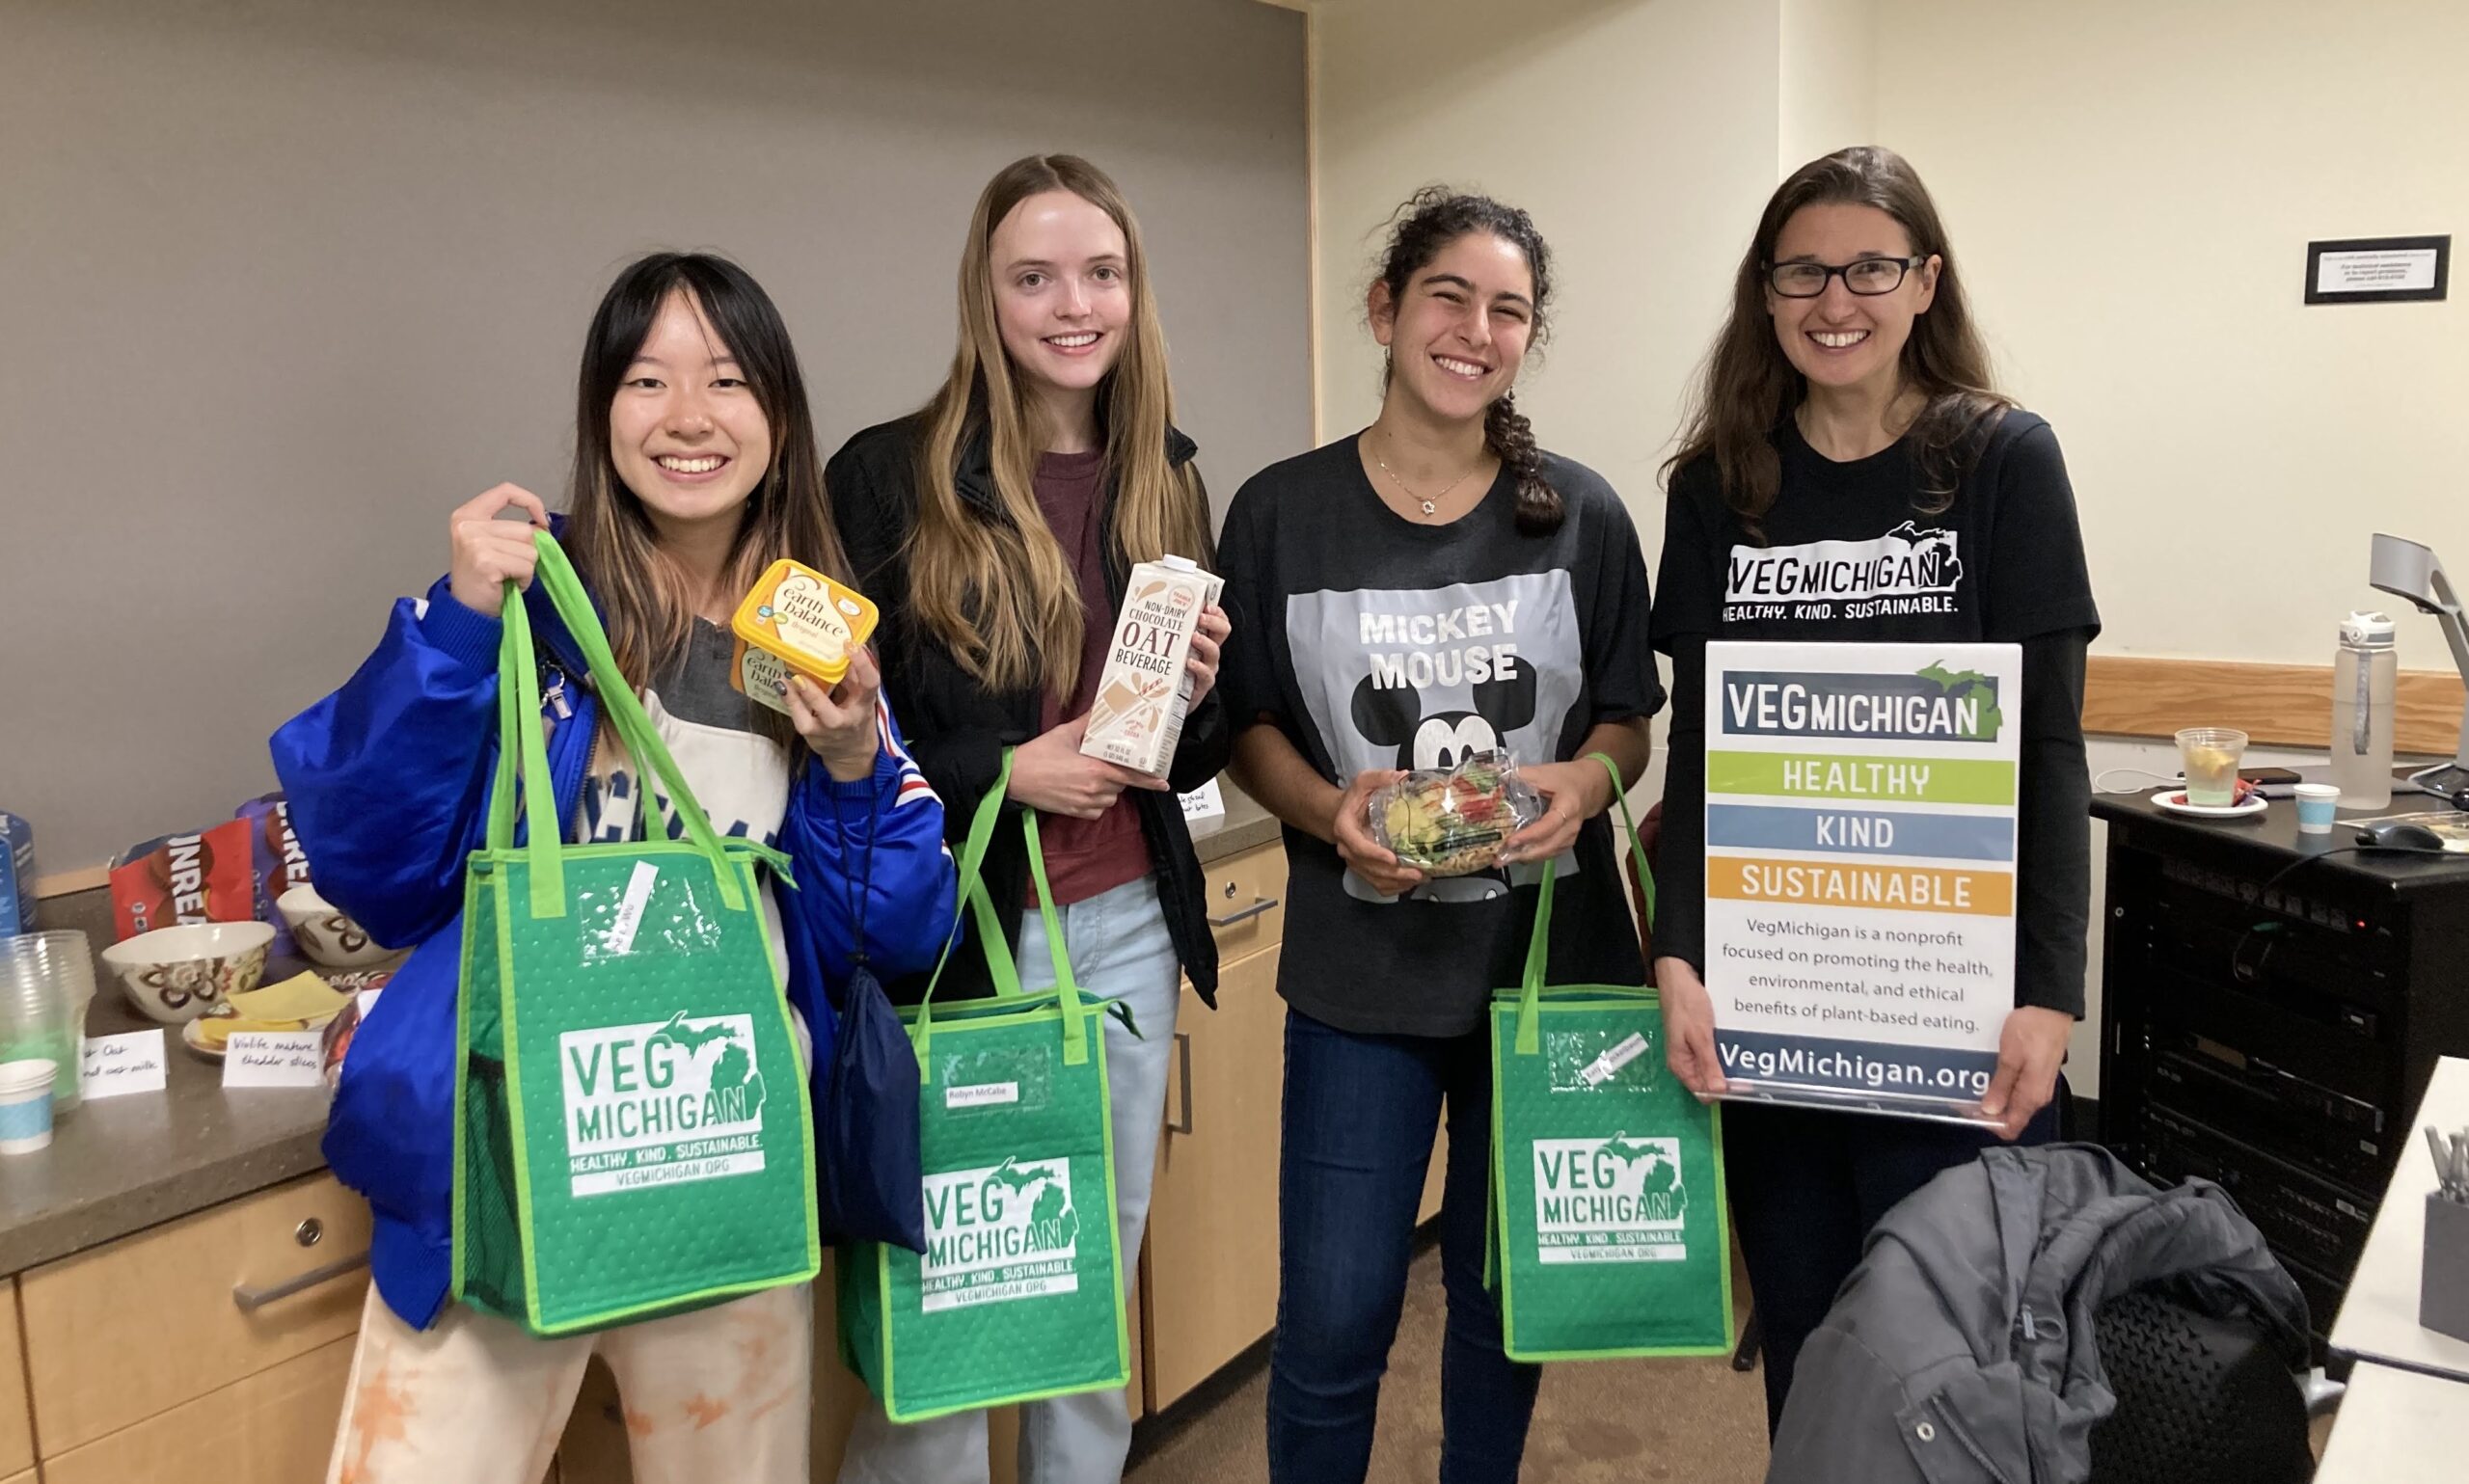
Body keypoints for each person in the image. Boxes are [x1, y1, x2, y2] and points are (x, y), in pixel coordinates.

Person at [274, 253, 957, 1484]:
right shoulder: (522, 606)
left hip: (727, 1151)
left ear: (779, 415)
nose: (689, 416)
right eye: (647, 380)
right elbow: (375, 867)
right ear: (600, 413)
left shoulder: (812, 637)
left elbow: (894, 936)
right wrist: (454, 636)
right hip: (509, 1158)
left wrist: (857, 765)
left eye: (727, 380)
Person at [1648, 145, 2100, 1430]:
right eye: (1802, 271)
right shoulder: (1716, 484)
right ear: (1766, 289)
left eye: (1869, 268)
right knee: (1806, 1334)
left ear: (1924, 282)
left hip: (1950, 1002)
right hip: (1776, 993)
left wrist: (2049, 992)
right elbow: (1701, 752)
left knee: (1954, 1352)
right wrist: (1678, 954)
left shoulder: (2003, 459)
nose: (1834, 300)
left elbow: (2049, 745)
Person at [1219, 187, 1662, 1484]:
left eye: (1507, 310)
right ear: (1385, 310)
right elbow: (1248, 723)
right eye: (1447, 298)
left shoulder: (1579, 513)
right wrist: (1328, 811)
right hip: (1360, 976)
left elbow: (1628, 718)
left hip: (1543, 976)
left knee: (1501, 1301)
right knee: (1334, 1316)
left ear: (1529, 336)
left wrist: (1585, 780)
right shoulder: (1281, 511)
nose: (1476, 330)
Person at [827, 153, 1229, 1484]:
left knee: (1086, 1281)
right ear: (985, 293)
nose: (1073, 305)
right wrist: (1005, 768)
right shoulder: (888, 477)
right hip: (965, 939)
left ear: (1133, 290)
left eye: (1101, 273)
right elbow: (834, 730)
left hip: (1129, 924)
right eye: (1035, 277)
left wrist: (1197, 697)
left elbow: (1186, 750)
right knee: (952, 1288)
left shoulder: (1166, 475)